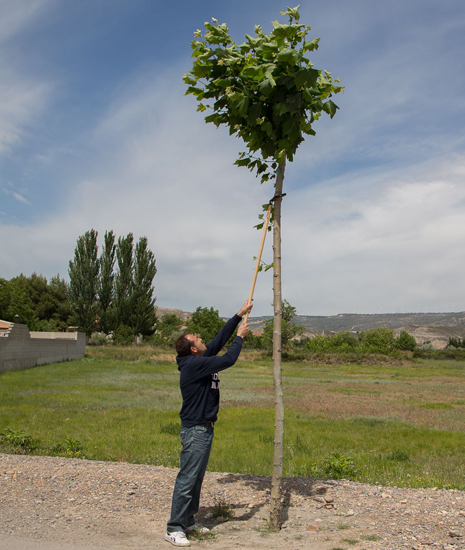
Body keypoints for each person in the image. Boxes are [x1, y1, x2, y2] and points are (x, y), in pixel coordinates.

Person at [165, 300, 253, 547]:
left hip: (204, 428)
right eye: (197, 339)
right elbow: (228, 359)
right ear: (193, 350)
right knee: (187, 478)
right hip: (195, 430)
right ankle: (174, 527)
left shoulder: (198, 360)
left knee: (196, 478)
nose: (202, 339)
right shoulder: (194, 366)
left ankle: (189, 521)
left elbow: (217, 341)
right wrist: (241, 338)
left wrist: (238, 315)